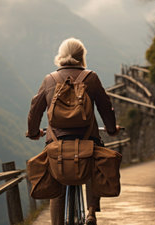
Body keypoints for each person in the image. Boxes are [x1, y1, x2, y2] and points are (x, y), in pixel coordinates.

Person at [26, 37, 119, 225]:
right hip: (88, 140)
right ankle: (91, 212)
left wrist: (34, 132)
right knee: (93, 165)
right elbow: (105, 107)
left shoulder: (49, 80)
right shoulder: (91, 78)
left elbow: (35, 110)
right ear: (81, 56)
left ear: (60, 56)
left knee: (56, 180)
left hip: (56, 143)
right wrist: (111, 129)